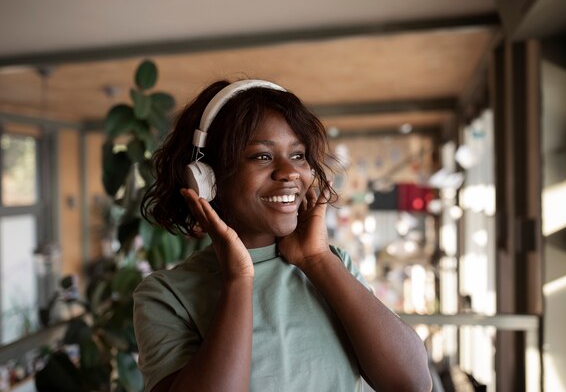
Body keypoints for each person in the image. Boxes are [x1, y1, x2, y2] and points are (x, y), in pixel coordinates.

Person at [134, 79, 432, 392]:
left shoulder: (330, 265)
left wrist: (317, 260)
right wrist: (238, 280)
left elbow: (411, 383)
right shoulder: (166, 296)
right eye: (262, 156)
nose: (290, 172)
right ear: (205, 177)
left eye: (299, 155)